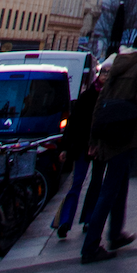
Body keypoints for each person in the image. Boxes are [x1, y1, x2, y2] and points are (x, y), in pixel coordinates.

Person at [81, 29, 137, 264]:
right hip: (125, 130)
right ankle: (91, 246)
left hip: (106, 128)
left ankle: (115, 233)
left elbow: (101, 99)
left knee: (119, 183)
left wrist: (94, 137)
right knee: (110, 188)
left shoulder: (117, 62)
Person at [54, 73, 100, 239]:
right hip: (83, 145)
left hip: (99, 145)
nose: (106, 76)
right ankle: (65, 221)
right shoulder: (87, 96)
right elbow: (73, 123)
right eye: (104, 73)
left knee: (95, 183)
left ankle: (88, 219)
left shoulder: (109, 94)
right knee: (77, 183)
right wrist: (65, 147)